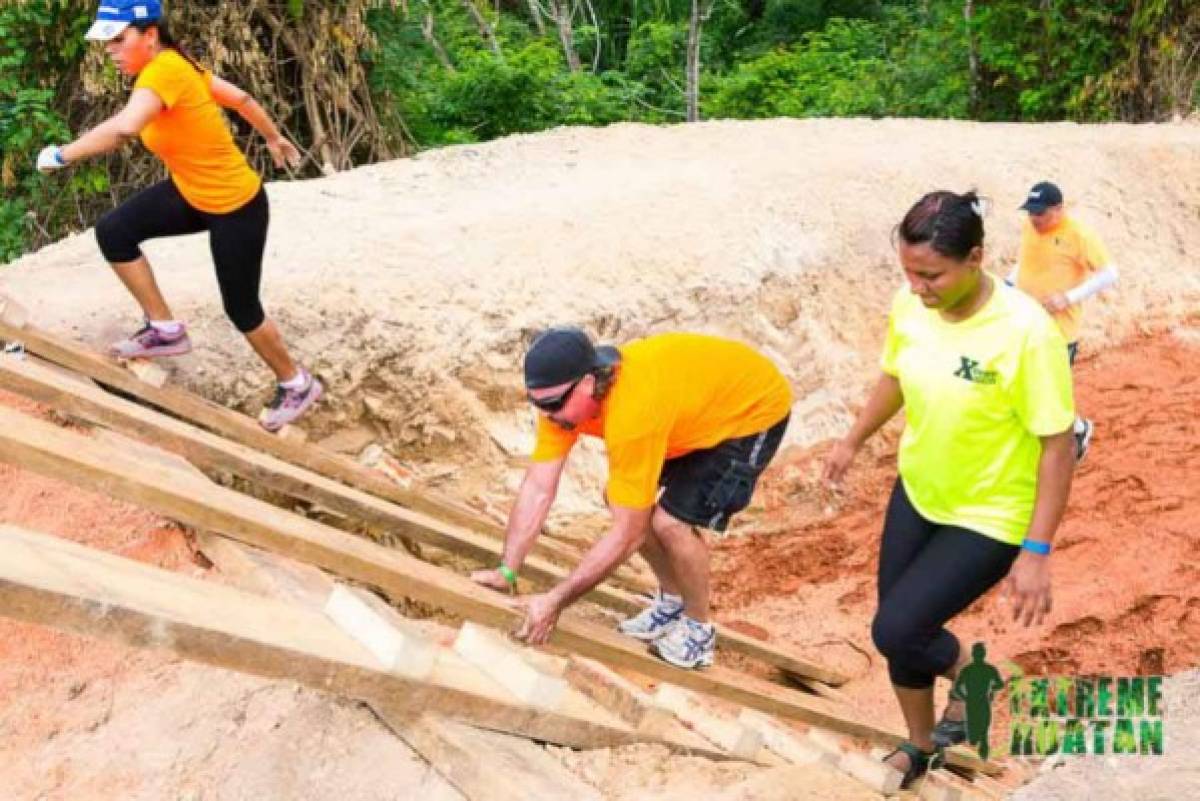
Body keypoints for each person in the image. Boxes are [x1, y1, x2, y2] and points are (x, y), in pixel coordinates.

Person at [824, 190, 1075, 787]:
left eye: (931, 274)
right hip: (919, 489)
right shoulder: (910, 307)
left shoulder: (1025, 333)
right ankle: (920, 744)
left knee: (898, 629)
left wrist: (1035, 551)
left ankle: (977, 678)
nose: (918, 287)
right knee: (899, 635)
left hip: (990, 511)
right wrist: (852, 439)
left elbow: (1057, 446)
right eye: (908, 272)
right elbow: (896, 375)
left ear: (976, 258)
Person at [35, 0, 322, 432]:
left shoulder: (164, 72)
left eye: (119, 39)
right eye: (106, 42)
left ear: (149, 35)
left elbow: (125, 128)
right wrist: (273, 138)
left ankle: (296, 382)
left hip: (235, 208)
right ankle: (165, 329)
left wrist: (61, 154)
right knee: (115, 231)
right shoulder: (173, 68)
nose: (111, 50)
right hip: (192, 193)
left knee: (242, 308)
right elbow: (240, 98)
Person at [471, 327, 791, 669]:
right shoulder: (560, 406)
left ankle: (698, 632)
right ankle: (671, 604)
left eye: (553, 404)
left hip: (751, 410)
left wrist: (556, 600)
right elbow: (538, 487)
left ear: (589, 382)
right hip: (688, 411)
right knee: (618, 498)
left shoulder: (632, 414)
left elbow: (629, 534)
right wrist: (507, 570)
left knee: (671, 522)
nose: (548, 414)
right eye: (539, 404)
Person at [1010, 181, 1118, 462]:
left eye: (1040, 213)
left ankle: (1079, 429)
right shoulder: (1030, 228)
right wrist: (1009, 283)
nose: (1034, 218)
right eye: (1031, 212)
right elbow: (1025, 262)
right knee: (1023, 385)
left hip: (1059, 331)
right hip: (1025, 323)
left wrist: (1068, 298)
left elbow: (1109, 274)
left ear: (1058, 209)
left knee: (1048, 393)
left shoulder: (1078, 235)